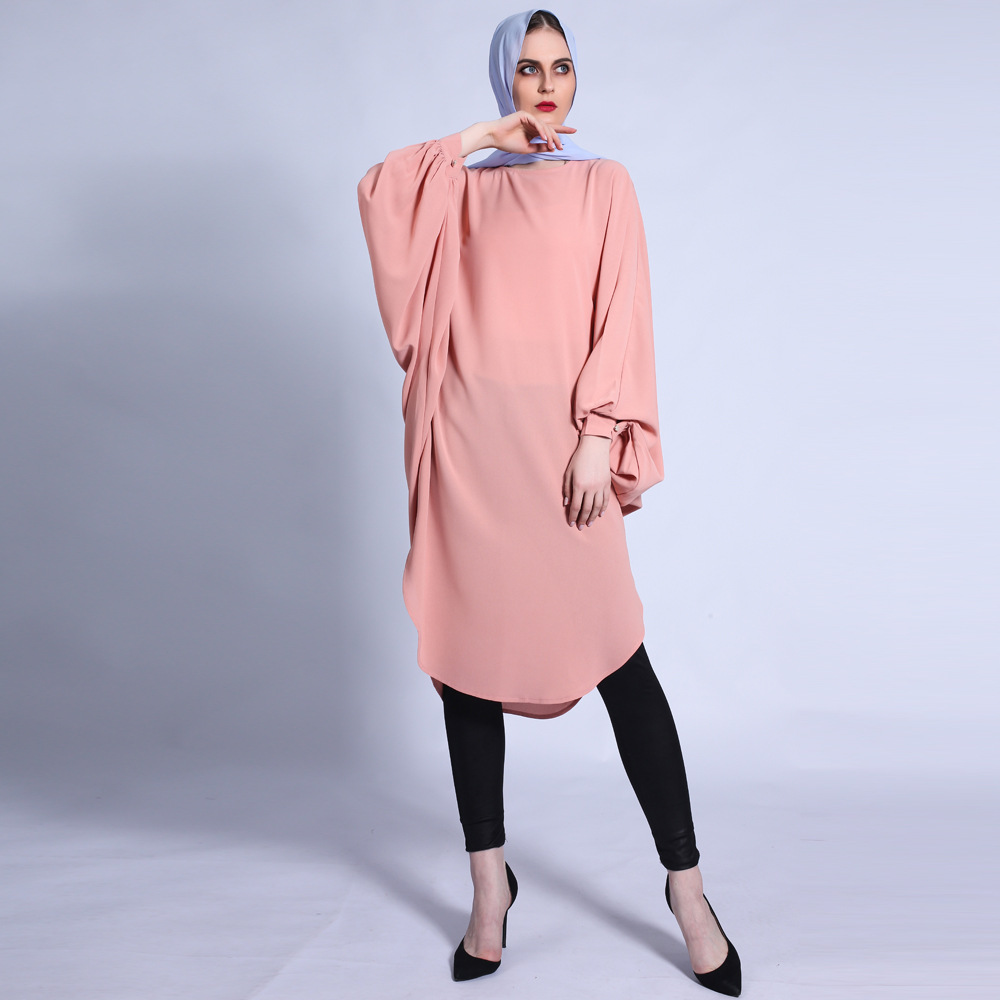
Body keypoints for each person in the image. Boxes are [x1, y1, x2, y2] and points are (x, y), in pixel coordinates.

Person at [357, 9, 742, 995]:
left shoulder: (604, 183)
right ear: (505, 79)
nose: (546, 85)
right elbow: (379, 192)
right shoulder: (460, 187)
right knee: (466, 665)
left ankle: (688, 890)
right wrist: (483, 137)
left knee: (619, 659)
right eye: (527, 69)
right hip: (468, 458)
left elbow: (622, 311)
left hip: (562, 457)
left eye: (561, 67)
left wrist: (598, 434)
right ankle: (489, 887)